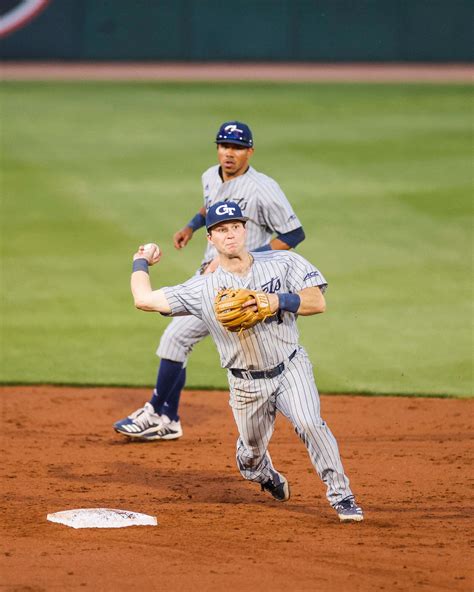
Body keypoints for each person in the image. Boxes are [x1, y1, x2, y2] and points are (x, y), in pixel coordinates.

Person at [128, 201, 364, 522]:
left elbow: (316, 301)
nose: (230, 235)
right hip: (246, 383)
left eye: (235, 227)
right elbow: (144, 300)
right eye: (221, 230)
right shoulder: (202, 288)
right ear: (210, 239)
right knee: (252, 453)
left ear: (245, 230)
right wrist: (141, 260)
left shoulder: (282, 261)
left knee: (310, 423)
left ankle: (342, 495)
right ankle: (259, 470)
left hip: (291, 366)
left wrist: (277, 300)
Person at [114, 121, 306, 440]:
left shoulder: (263, 189)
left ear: (250, 152)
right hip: (210, 278)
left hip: (244, 284)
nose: (229, 153)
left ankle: (159, 412)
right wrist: (190, 227)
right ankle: (166, 416)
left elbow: (293, 233)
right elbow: (211, 206)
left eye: (237, 147)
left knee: (181, 339)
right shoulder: (209, 174)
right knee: (177, 340)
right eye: (224, 146)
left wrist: (249, 256)